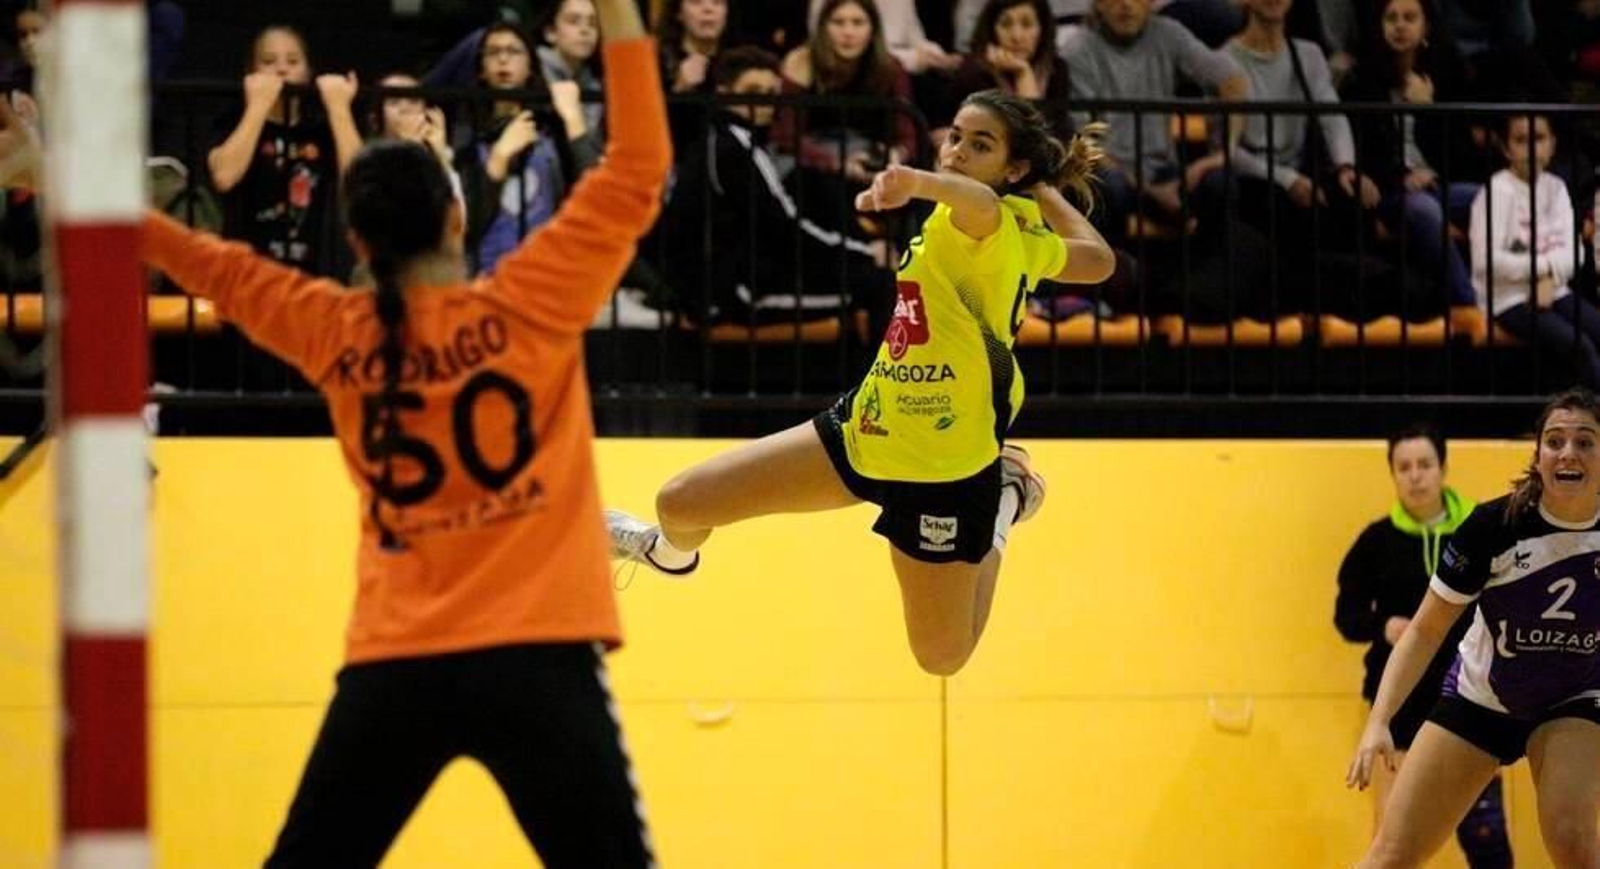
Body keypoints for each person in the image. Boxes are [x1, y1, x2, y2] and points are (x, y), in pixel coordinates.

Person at [138, 0, 671, 863]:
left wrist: (56, 181)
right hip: (540, 654)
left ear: (355, 238)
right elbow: (640, 164)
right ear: (457, 219)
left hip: (398, 661)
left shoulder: (334, 326)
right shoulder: (532, 298)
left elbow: (206, 263)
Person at [608, 90, 1116, 676]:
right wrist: (1043, 186)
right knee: (680, 502)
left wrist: (918, 181)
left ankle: (1005, 499)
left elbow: (978, 199)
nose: (957, 152)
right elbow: (1098, 261)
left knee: (941, 656)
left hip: (943, 470)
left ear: (1010, 168)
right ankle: (665, 554)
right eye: (955, 136)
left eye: (981, 145)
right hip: (865, 429)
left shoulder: (994, 225)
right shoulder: (1020, 230)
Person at [1349, 388, 1600, 868]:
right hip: (1480, 698)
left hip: (1574, 698)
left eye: (1585, 442)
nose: (1568, 452)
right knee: (1391, 853)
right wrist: (1379, 721)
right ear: (1538, 456)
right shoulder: (1492, 527)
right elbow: (1424, 632)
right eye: (1555, 441)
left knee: (1573, 842)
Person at [1335, 424, 1513, 867]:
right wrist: (1384, 626)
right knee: (1393, 841)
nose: (1415, 476)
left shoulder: (1482, 530)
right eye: (1404, 467)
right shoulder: (1375, 542)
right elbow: (1347, 616)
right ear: (1393, 475)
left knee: (1488, 841)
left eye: (1425, 465)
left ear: (1443, 469)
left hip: (1471, 702)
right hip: (1400, 708)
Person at [1339, 0, 1478, 308]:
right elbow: (1366, 154)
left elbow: (1463, 155)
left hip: (1439, 186)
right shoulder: (1362, 84)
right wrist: (1403, 177)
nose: (1400, 25)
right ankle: (1469, 305)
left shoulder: (1444, 78)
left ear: (1426, 28)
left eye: (1409, 18)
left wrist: (1427, 110)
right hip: (1393, 193)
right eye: (1392, 18)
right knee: (1424, 211)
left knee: (1493, 196)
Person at [207, 25, 362, 276]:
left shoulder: (321, 130)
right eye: (268, 61)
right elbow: (224, 176)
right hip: (247, 275)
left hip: (313, 276)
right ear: (251, 72)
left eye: (293, 61)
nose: (282, 69)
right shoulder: (232, 122)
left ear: (308, 72)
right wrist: (258, 105)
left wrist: (339, 108)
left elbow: (360, 183)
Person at [1470, 113, 1598, 385]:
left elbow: (1575, 253)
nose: (1531, 148)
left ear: (1552, 144)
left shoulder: (1556, 187)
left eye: (1539, 139)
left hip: (1553, 290)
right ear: (1506, 148)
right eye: (1520, 140)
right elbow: (1485, 261)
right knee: (1581, 347)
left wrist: (1549, 280)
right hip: (1507, 299)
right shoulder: (1497, 191)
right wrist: (1543, 272)